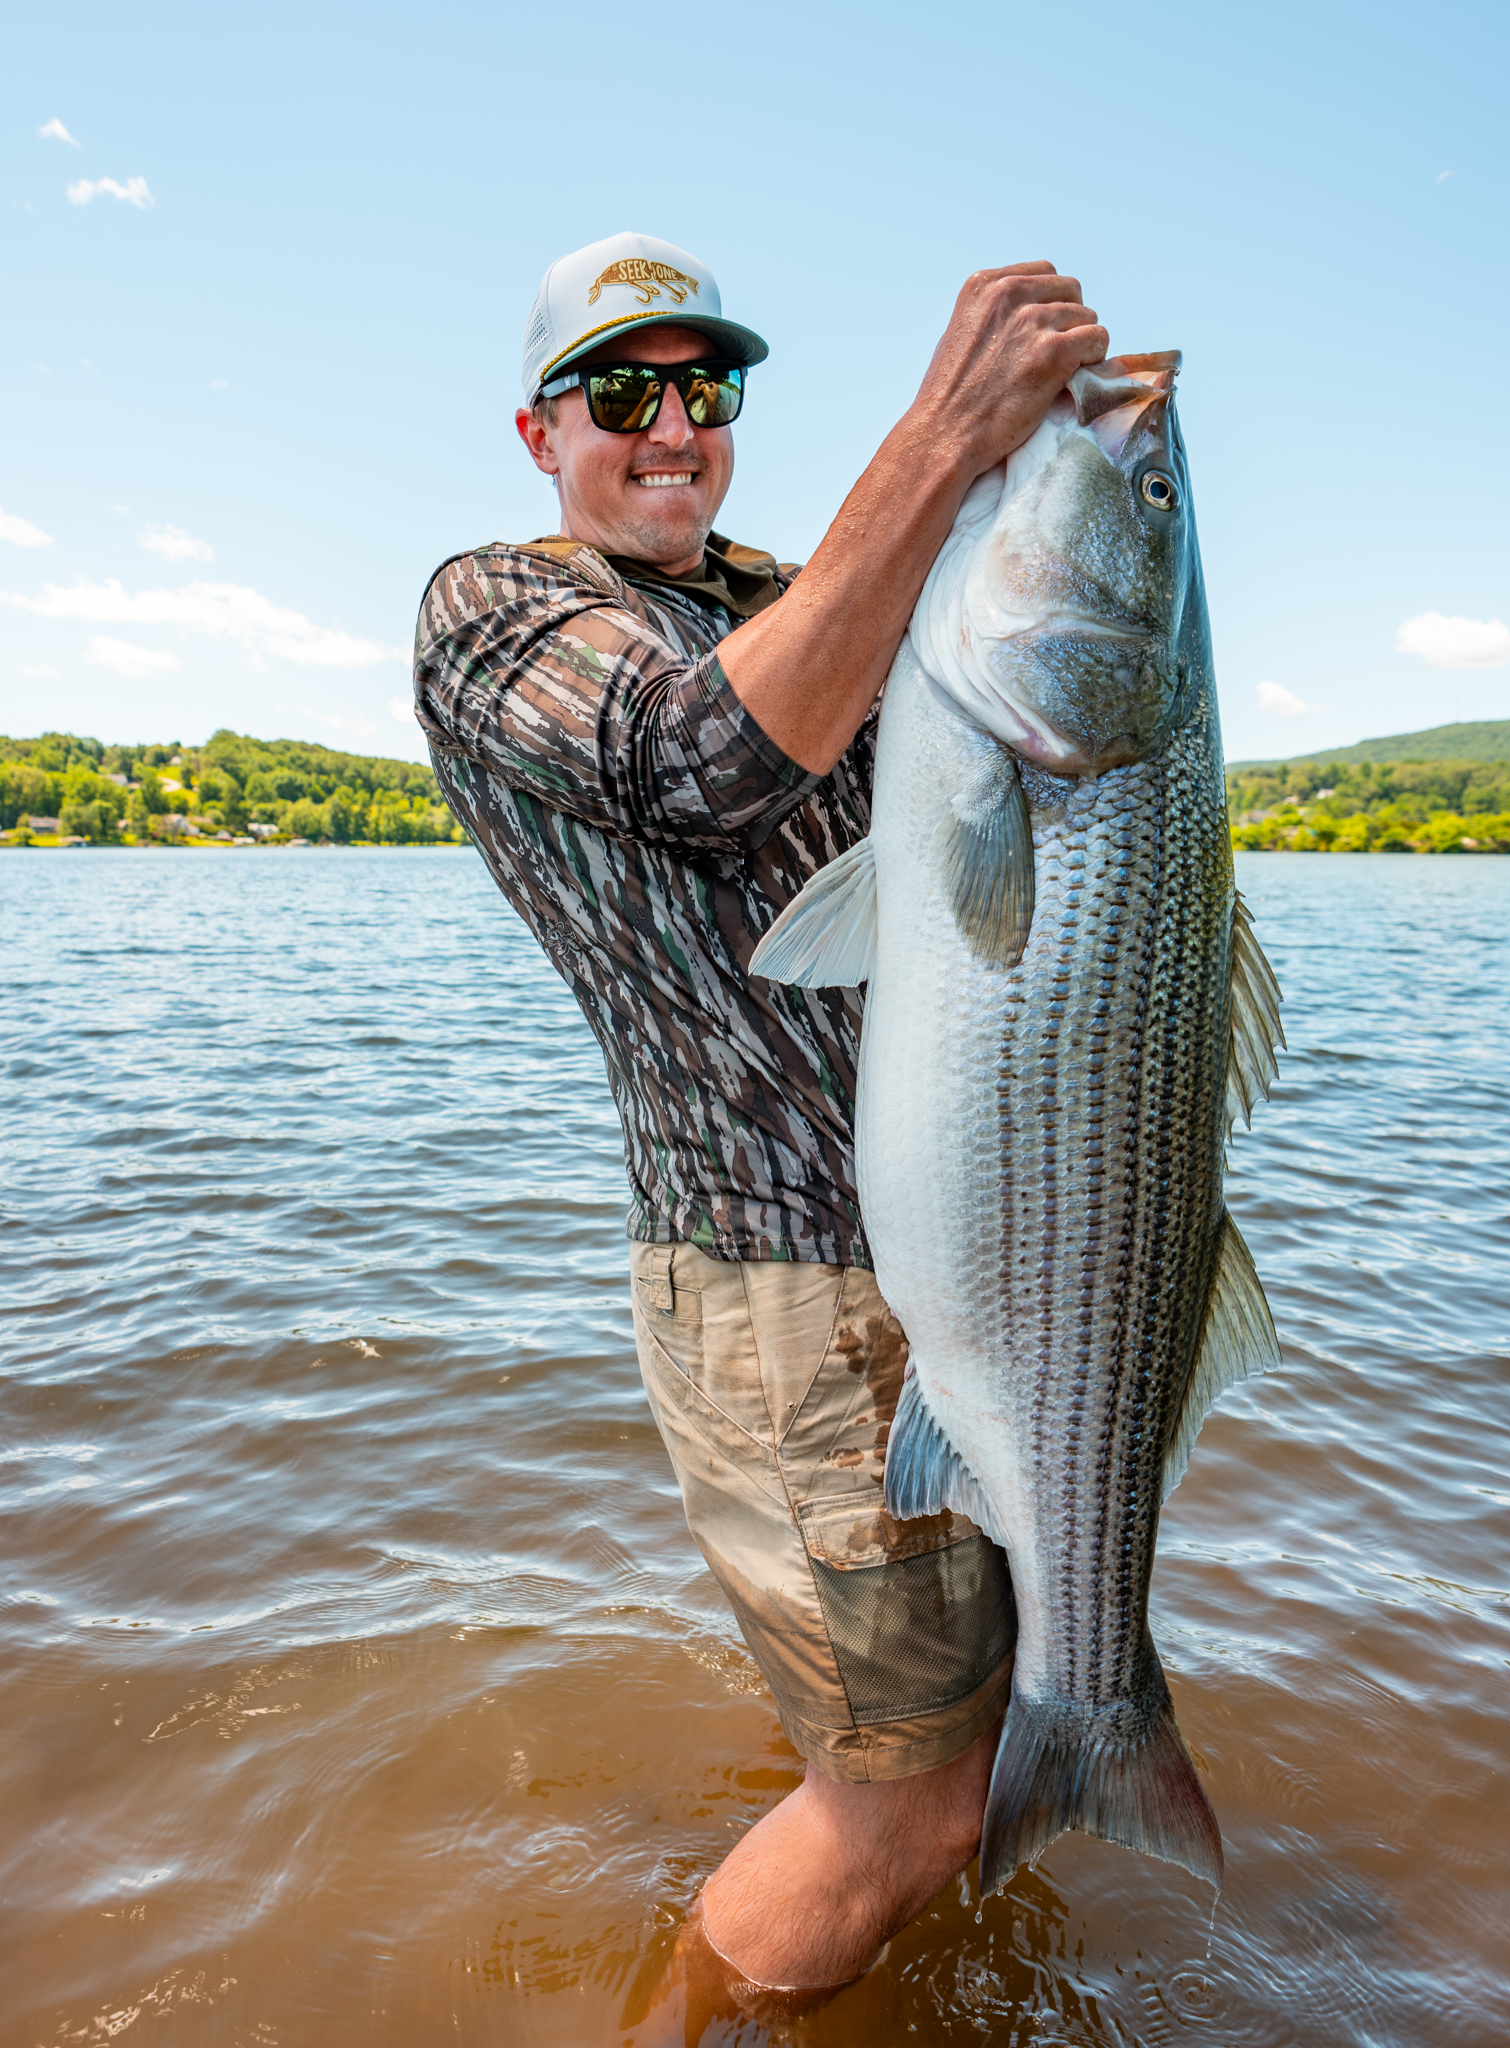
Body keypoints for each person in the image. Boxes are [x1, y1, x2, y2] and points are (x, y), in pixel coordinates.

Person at [413, 229, 1108, 2002]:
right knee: (902, 1813)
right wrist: (945, 437)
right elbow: (698, 765)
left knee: (966, 1748)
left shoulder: (794, 587)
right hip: (787, 1295)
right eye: (619, 390)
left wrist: (1067, 464)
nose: (669, 426)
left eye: (702, 386)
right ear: (537, 431)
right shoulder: (496, 612)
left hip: (972, 1257)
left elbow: (1008, 739)